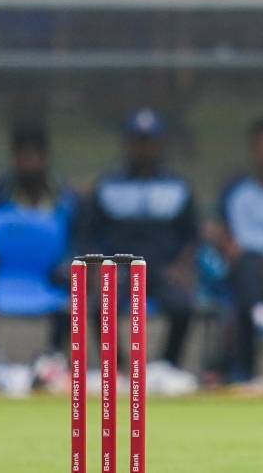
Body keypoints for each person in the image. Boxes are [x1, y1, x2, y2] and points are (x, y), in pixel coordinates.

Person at [85, 108, 200, 374]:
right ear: (127, 144)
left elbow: (192, 236)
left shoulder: (178, 187)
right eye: (138, 141)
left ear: (159, 144)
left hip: (162, 270)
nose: (143, 148)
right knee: (100, 306)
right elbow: (89, 234)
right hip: (118, 268)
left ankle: (166, 368)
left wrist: (181, 268)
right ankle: (119, 369)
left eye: (149, 141)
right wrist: (98, 267)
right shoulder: (107, 186)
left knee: (183, 305)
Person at [211, 117, 263, 383]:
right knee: (246, 268)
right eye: (262, 149)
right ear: (253, 152)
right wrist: (229, 247)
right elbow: (224, 234)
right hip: (243, 265)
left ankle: (249, 368)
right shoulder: (237, 192)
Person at [0, 121, 81, 353]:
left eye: (34, 154)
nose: (28, 161)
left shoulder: (65, 194)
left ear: (45, 156)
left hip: (52, 273)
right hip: (3, 274)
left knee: (73, 285)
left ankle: (54, 356)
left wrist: (68, 263)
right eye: (22, 154)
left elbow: (79, 237)